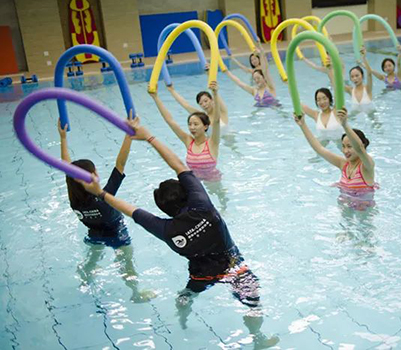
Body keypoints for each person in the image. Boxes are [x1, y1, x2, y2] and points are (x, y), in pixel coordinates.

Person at [76, 118, 277, 348]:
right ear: (186, 194)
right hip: (234, 266)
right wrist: (149, 137)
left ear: (164, 209)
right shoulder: (203, 206)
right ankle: (257, 338)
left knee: (186, 295)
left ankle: (182, 317)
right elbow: (178, 165)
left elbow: (132, 211)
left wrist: (100, 194)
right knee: (253, 303)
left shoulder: (167, 230)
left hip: (201, 276)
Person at [58, 121, 154, 303]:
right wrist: (128, 136)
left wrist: (63, 138)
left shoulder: (75, 200)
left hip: (94, 234)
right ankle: (135, 292)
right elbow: (120, 164)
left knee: (92, 261)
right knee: (127, 265)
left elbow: (66, 167)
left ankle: (85, 280)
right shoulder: (104, 197)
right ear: (91, 177)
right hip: (118, 234)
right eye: (95, 171)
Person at [294, 108, 377, 210]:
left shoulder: (367, 166)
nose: (345, 151)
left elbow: (359, 147)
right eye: (343, 146)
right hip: (345, 209)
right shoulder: (343, 164)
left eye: (349, 146)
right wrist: (302, 125)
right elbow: (319, 149)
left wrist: (344, 125)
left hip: (363, 211)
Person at [150, 81, 221, 181]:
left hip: (213, 183)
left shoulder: (212, 142)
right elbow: (170, 121)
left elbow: (217, 121)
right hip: (194, 182)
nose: (192, 127)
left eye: (196, 124)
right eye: (190, 124)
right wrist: (155, 97)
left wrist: (215, 94)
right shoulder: (188, 141)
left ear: (205, 126)